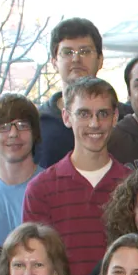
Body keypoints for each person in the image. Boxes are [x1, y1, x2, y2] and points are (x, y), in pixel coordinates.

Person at [21, 76, 133, 275]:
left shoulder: (133, 185)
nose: (94, 124)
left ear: (115, 118)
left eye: (102, 114)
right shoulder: (41, 189)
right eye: (84, 114)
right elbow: (36, 262)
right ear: (66, 117)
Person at [38, 18, 111, 168]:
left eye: (85, 51)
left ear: (100, 60)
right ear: (54, 62)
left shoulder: (121, 117)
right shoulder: (37, 123)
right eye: (67, 52)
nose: (76, 59)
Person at [0, 93, 43, 244]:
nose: (14, 134)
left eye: (22, 125)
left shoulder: (52, 187)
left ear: (34, 133)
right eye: (4, 127)